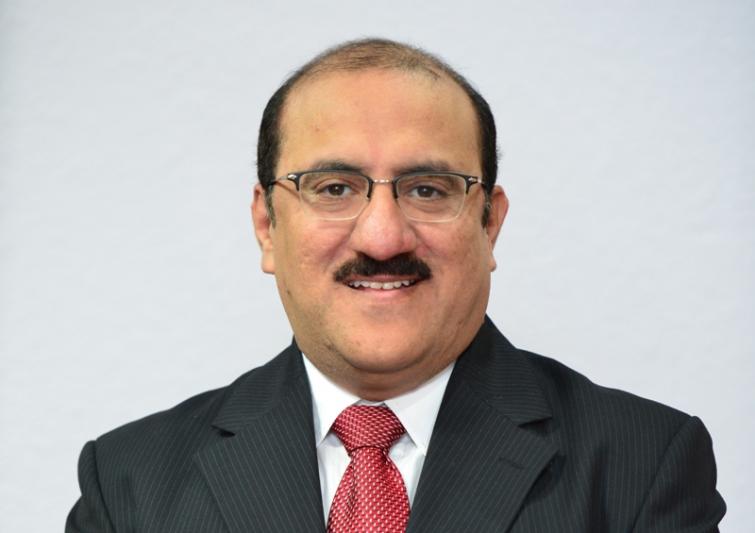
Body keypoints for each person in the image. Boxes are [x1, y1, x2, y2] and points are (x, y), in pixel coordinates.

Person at [66, 38, 726, 533]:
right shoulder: (129, 483)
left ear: (489, 224)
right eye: (333, 188)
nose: (382, 238)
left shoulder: (642, 468)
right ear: (267, 226)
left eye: (428, 189)